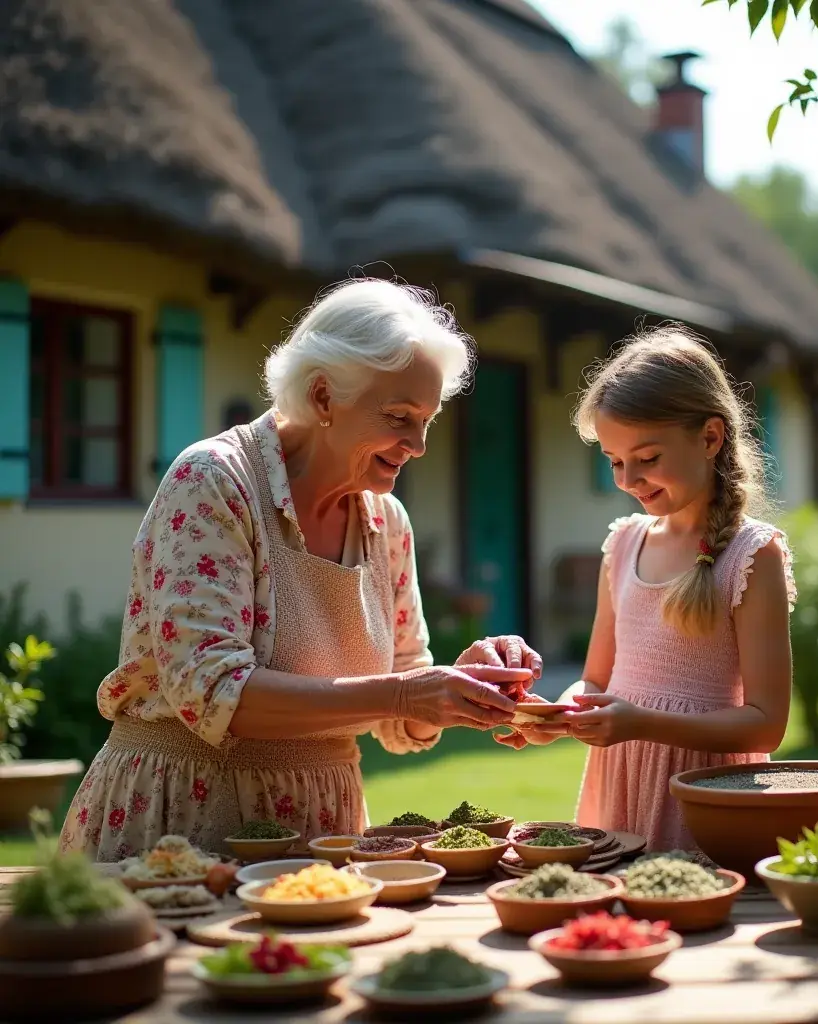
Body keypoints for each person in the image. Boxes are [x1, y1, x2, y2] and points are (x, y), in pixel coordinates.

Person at [60, 280, 539, 860]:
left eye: (427, 420)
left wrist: (462, 685)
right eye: (399, 417)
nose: (417, 445)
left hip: (326, 830)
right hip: (183, 818)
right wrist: (405, 695)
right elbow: (212, 691)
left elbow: (401, 716)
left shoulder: (387, 521)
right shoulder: (214, 481)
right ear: (322, 397)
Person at [497, 327, 795, 852]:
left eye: (648, 457)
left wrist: (642, 724)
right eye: (614, 461)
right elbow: (594, 679)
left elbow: (765, 725)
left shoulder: (752, 556)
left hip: (706, 796)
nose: (627, 479)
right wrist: (559, 716)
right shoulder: (622, 545)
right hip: (620, 784)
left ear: (710, 438)